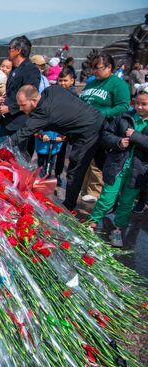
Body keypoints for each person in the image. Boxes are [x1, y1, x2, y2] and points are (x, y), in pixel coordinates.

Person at [9, 85, 105, 211]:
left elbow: (23, 133)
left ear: (33, 100)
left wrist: (2, 147)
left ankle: (68, 207)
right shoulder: (52, 90)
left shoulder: (44, 112)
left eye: (23, 105)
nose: (21, 109)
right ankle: (112, 195)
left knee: (75, 169)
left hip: (88, 131)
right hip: (97, 118)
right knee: (103, 163)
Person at [89, 87, 148, 247]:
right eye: (137, 103)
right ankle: (92, 223)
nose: (139, 107)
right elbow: (107, 134)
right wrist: (118, 142)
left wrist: (135, 136)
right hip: (117, 166)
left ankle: (118, 229)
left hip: (138, 171)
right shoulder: (125, 117)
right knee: (107, 197)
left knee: (127, 202)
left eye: (144, 104)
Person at [79, 53, 131, 203]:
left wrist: (103, 113)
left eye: (98, 68)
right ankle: (83, 189)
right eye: (93, 67)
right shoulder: (92, 82)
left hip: (105, 128)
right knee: (84, 159)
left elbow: (123, 106)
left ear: (109, 67)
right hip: (87, 128)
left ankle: (94, 191)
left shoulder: (118, 84)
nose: (94, 71)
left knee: (97, 161)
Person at [0, 36, 40, 137]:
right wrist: (5, 99)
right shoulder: (15, 68)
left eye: (10, 48)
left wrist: (9, 108)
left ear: (18, 50)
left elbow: (30, 98)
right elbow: (13, 92)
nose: (8, 51)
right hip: (7, 122)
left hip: (19, 124)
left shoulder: (31, 70)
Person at [53, 66, 79, 187]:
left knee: (61, 153)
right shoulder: (56, 91)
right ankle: (47, 173)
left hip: (65, 129)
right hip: (55, 126)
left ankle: (57, 174)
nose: (62, 83)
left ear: (72, 80)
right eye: (60, 80)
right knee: (50, 151)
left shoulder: (73, 94)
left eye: (65, 80)